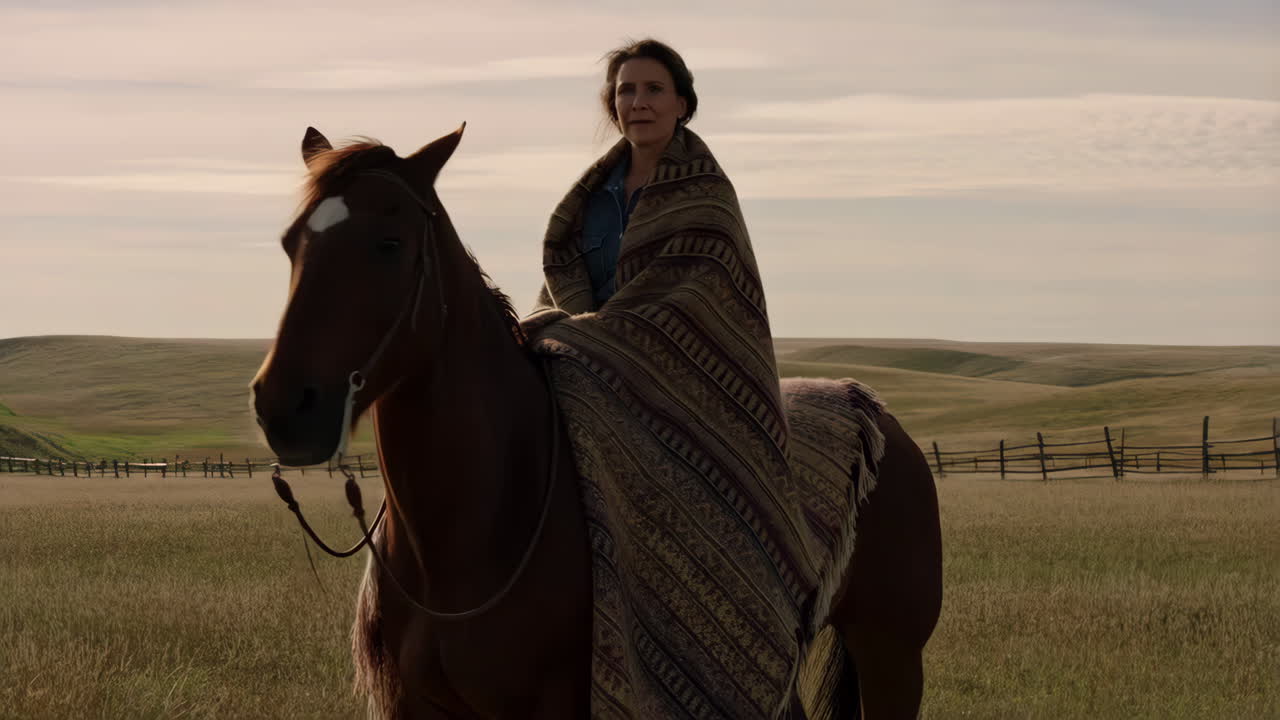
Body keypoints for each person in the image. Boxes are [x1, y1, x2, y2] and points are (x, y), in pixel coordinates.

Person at [523, 39, 815, 719]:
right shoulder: (591, 200)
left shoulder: (705, 198)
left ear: (682, 103)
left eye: (653, 89)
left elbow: (688, 309)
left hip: (683, 394)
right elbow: (562, 288)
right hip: (581, 362)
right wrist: (544, 324)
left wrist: (578, 332)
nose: (638, 102)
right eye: (626, 91)